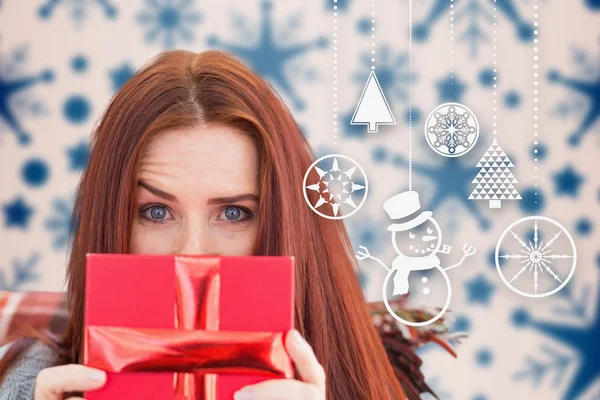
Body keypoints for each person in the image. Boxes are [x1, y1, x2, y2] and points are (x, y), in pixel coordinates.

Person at [0, 50, 407, 400]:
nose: (192, 252)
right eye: (156, 212)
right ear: (113, 221)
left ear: (286, 228)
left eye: (234, 213)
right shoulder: (25, 382)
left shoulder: (380, 381)